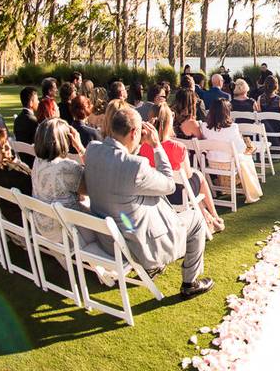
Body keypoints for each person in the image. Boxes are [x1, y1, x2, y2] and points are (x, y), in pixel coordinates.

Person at [85, 107, 213, 297]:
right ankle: (190, 283)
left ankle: (159, 268)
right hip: (138, 244)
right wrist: (156, 146)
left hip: (107, 239)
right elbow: (169, 184)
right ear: (134, 132)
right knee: (195, 218)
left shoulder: (93, 150)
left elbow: (121, 161)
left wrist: (136, 143)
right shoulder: (135, 167)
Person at [138, 103, 224, 233]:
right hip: (176, 195)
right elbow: (188, 175)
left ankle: (207, 217)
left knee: (192, 179)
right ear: (169, 123)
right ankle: (215, 216)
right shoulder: (177, 146)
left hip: (154, 192)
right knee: (198, 176)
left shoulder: (142, 146)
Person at [31, 118, 88, 242]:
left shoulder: (37, 161)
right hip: (66, 230)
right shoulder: (66, 167)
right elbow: (93, 187)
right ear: (64, 140)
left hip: (43, 224)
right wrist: (80, 149)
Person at [199, 99, 263, 203]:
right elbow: (241, 148)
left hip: (211, 163)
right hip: (229, 164)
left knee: (241, 157)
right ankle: (247, 187)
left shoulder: (204, 127)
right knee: (247, 157)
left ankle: (227, 187)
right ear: (227, 112)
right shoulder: (233, 127)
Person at [0, 126, 33, 225]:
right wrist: (17, 163)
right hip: (27, 218)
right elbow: (33, 183)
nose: (9, 147)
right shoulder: (12, 173)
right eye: (4, 146)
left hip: (10, 214)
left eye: (7, 142)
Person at [258, 76, 280, 152]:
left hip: (265, 129)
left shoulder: (259, 99)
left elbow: (259, 114)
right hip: (278, 128)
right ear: (276, 86)